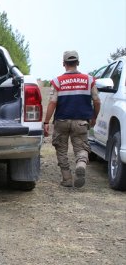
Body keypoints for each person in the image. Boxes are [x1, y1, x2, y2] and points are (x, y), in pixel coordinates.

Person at [43, 50, 100, 188]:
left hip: (62, 121)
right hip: (81, 121)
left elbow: (52, 102)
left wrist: (46, 122)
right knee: (82, 148)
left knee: (61, 149)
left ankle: (67, 178)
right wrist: (94, 117)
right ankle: (81, 164)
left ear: (64, 64)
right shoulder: (89, 80)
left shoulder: (57, 81)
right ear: (78, 63)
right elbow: (97, 101)